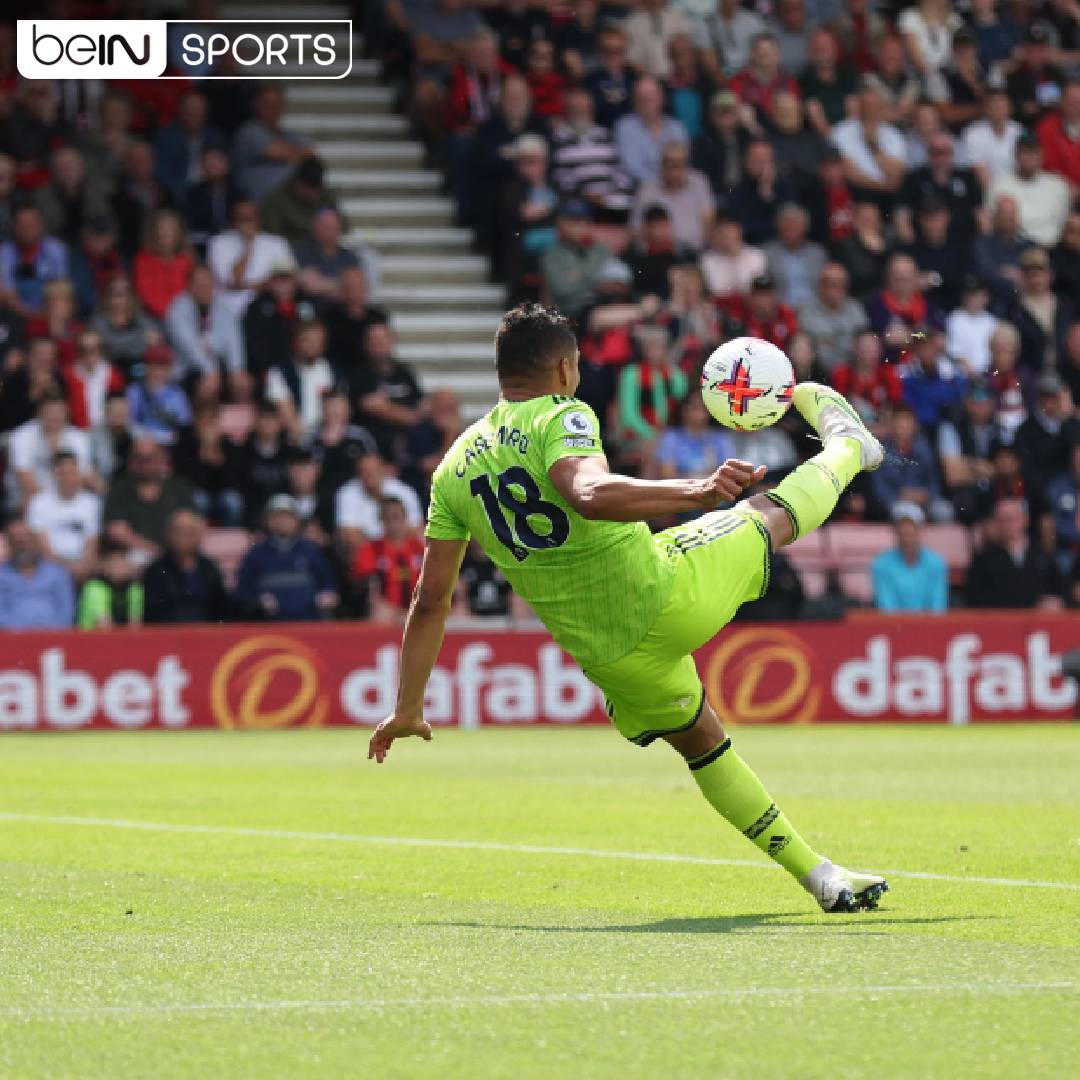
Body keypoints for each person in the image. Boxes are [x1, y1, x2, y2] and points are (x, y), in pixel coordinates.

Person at [368, 303, 891, 915]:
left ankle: (819, 875)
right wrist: (697, 489)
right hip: (665, 592)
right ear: (564, 367)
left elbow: (430, 599)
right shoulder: (561, 416)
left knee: (703, 743)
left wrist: (407, 707)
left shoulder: (453, 467)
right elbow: (586, 492)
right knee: (765, 516)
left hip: (613, 659)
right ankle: (852, 447)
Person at [235, 495, 339, 621]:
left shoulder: (310, 550)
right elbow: (243, 591)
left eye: (288, 516)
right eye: (277, 516)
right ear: (267, 521)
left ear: (297, 521)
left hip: (308, 622)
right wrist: (258, 600)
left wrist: (326, 596)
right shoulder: (256, 554)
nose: (283, 521)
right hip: (269, 626)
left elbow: (328, 584)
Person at [164, 263, 249, 401]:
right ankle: (204, 422)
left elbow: (233, 341)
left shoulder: (223, 308)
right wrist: (210, 369)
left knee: (243, 382)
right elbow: (189, 346)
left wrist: (237, 369)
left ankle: (241, 421)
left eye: (208, 282)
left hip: (217, 365)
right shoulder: (177, 309)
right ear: (189, 286)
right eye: (199, 283)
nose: (204, 287)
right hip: (185, 370)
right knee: (209, 383)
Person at [103, 438, 196, 563]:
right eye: (138, 458)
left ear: (161, 459)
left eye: (149, 458)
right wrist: (152, 549)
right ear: (131, 461)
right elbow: (116, 531)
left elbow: (195, 522)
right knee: (137, 559)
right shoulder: (120, 490)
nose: (143, 464)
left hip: (177, 552)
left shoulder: (178, 489)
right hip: (135, 553)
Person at [967, 497, 1066, 608]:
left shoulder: (1043, 556)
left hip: (1040, 622)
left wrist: (1057, 602)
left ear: (1025, 519)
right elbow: (974, 599)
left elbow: (1063, 591)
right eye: (1002, 519)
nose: (1008, 524)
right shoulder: (983, 560)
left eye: (1012, 518)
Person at [26, 450, 102, 584]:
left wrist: (83, 565)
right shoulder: (38, 503)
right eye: (64, 473)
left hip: (83, 566)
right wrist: (66, 567)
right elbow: (43, 548)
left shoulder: (93, 503)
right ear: (55, 474)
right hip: (50, 565)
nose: (69, 478)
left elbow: (92, 542)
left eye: (72, 472)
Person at [142, 509, 230, 623]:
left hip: (207, 633)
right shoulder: (155, 570)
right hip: (168, 634)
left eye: (190, 532)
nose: (183, 537)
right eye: (178, 531)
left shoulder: (209, 567)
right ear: (168, 534)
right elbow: (152, 614)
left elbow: (222, 610)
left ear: (198, 535)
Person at [628, 140, 715, 253]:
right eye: (670, 164)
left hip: (696, 254)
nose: (675, 171)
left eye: (680, 164)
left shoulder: (699, 182)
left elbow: (709, 222)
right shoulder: (647, 190)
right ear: (661, 166)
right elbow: (635, 230)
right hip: (658, 253)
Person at [985, 135, 1070, 248]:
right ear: (1015, 156)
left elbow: (1063, 224)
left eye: (1032, 153)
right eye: (1024, 153)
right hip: (1013, 249)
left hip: (1052, 249)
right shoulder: (999, 185)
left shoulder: (1058, 186)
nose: (1028, 158)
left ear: (1041, 155)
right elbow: (991, 222)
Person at [231, 85, 312, 202]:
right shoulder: (248, 132)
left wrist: (291, 153)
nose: (272, 110)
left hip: (288, 206)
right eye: (267, 105)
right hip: (256, 207)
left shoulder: (291, 136)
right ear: (256, 105)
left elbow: (311, 156)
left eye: (276, 105)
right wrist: (296, 154)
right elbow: (274, 151)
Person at [353, 496, 427, 621]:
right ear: (381, 520)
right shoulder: (371, 549)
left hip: (421, 609)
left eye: (397, 517)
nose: (394, 524)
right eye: (388, 518)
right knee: (379, 613)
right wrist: (398, 613)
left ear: (405, 518)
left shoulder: (420, 548)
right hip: (388, 611)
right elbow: (371, 593)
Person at [265, 317, 338, 441]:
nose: (313, 345)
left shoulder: (333, 371)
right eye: (307, 340)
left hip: (328, 436)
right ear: (297, 341)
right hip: (293, 438)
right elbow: (286, 414)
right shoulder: (279, 372)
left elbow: (338, 409)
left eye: (318, 341)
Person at [336, 452, 423, 553]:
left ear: (383, 470)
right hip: (367, 554)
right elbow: (350, 535)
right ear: (358, 474)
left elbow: (416, 530)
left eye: (374, 470)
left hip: (401, 552)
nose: (369, 475)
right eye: (364, 471)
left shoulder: (404, 491)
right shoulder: (347, 493)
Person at [871, 502, 948, 612]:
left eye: (912, 525)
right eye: (902, 525)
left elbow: (938, 607)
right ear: (895, 530)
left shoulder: (936, 563)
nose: (907, 530)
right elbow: (886, 608)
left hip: (929, 626)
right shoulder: (881, 564)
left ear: (920, 529)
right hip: (893, 626)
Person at [540, 201, 612, 318]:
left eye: (585, 221)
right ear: (561, 224)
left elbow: (616, 279)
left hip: (603, 307)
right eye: (574, 222)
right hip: (568, 315)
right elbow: (564, 292)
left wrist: (581, 278)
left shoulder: (600, 251)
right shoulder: (552, 255)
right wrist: (597, 285)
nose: (581, 227)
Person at [613, 77, 689, 186]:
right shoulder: (625, 127)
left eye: (651, 97)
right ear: (634, 101)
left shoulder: (677, 128)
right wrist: (662, 185)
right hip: (640, 190)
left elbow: (681, 164)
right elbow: (633, 168)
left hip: (675, 186)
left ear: (662, 99)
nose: (647, 102)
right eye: (642, 98)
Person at [0, 520, 75, 630]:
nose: (23, 547)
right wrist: (19, 630)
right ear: (9, 545)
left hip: (54, 637)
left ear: (35, 542)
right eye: (17, 542)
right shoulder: (2, 575)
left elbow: (66, 610)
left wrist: (49, 631)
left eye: (26, 541)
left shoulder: (57, 573)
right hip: (12, 637)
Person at [798, 263, 869, 373]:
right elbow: (808, 349)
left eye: (842, 285)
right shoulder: (808, 312)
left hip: (853, 372)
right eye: (832, 285)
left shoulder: (855, 308)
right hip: (819, 373)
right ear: (821, 287)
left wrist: (828, 343)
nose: (838, 290)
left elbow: (864, 342)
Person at [258, 157, 339, 251]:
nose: (312, 194)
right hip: (287, 252)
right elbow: (272, 235)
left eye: (315, 188)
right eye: (307, 187)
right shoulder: (276, 200)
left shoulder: (325, 197)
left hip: (322, 251)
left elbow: (342, 224)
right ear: (297, 183)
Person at [762, 204, 827, 311]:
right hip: (781, 311)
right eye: (786, 223)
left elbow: (825, 286)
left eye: (796, 224)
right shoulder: (766, 253)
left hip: (817, 310)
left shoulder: (818, 253)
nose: (791, 228)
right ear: (778, 226)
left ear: (805, 227)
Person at [133, 208, 194, 321]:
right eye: (162, 228)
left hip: (185, 317)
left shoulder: (188, 258)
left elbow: (192, 291)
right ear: (154, 232)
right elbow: (146, 294)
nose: (167, 232)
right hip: (153, 318)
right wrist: (171, 315)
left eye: (171, 228)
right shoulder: (144, 259)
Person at [126, 344, 192, 445]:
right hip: (142, 445)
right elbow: (129, 423)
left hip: (170, 446)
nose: (158, 372)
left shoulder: (178, 395)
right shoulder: (134, 391)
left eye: (163, 366)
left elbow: (184, 425)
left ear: (169, 369)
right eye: (153, 366)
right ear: (146, 367)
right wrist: (148, 438)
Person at [78, 542, 144, 629]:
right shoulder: (94, 587)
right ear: (105, 566)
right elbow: (103, 625)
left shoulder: (135, 589)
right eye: (115, 563)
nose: (120, 567)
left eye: (123, 561)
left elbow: (135, 625)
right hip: (90, 638)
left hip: (122, 638)